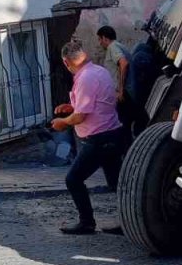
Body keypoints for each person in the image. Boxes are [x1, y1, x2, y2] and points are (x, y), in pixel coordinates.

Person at [52, 39, 130, 234]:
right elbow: (97, 102)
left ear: (66, 62)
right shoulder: (99, 71)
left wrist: (62, 122)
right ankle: (129, 223)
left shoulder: (85, 78)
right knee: (117, 183)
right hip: (113, 133)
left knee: (74, 179)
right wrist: (70, 107)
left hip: (99, 138)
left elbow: (80, 116)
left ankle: (87, 222)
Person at [96, 26, 130, 103]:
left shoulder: (113, 47)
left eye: (100, 39)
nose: (100, 43)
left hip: (122, 94)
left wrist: (121, 90)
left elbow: (124, 64)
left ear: (105, 38)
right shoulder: (117, 45)